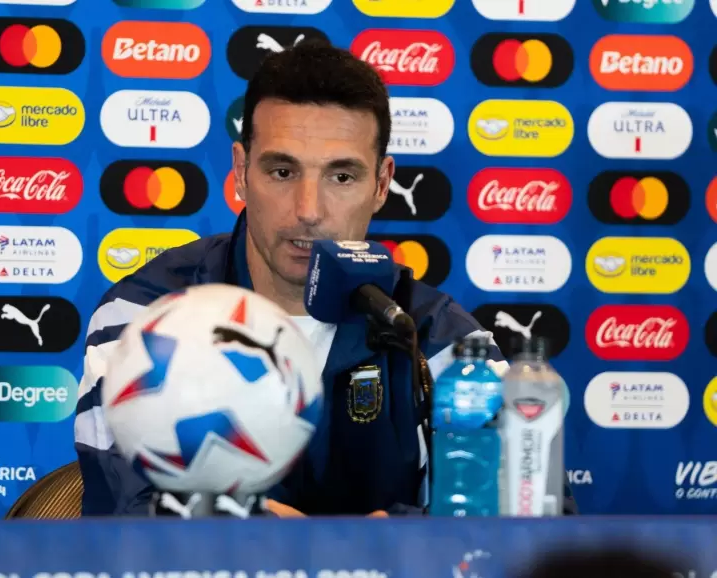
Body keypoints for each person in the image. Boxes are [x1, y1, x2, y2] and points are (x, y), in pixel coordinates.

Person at [74, 40, 578, 517]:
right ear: (241, 169)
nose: (309, 211)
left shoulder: (436, 340)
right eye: (282, 172)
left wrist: (375, 544)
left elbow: (529, 517)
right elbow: (125, 516)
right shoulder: (147, 316)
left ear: (382, 184)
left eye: (342, 176)